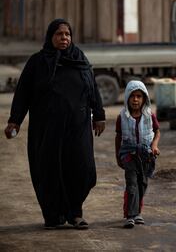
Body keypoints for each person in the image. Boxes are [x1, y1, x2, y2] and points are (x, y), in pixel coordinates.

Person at [3, 18, 106, 230]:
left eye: (67, 34)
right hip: (47, 128)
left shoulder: (80, 58)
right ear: (51, 37)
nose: (64, 38)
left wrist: (99, 114)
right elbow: (23, 93)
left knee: (82, 168)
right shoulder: (37, 62)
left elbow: (91, 87)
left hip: (77, 127)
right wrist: (15, 120)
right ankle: (53, 215)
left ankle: (75, 213)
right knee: (48, 170)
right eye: (59, 34)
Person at [115, 80, 160, 228]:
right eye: (132, 96)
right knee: (132, 184)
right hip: (129, 156)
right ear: (127, 97)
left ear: (144, 98)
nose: (135, 99)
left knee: (142, 184)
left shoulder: (149, 116)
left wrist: (154, 145)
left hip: (146, 156)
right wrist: (118, 156)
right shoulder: (122, 117)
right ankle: (130, 215)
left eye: (139, 96)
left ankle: (138, 213)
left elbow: (157, 132)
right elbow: (118, 137)